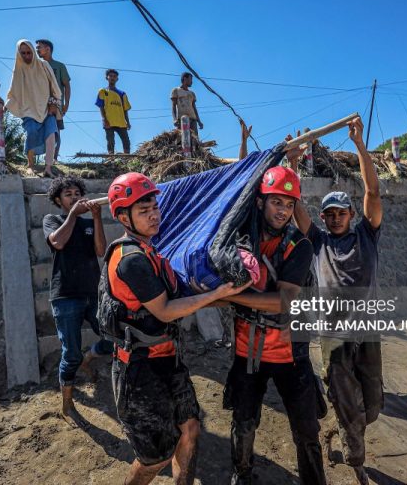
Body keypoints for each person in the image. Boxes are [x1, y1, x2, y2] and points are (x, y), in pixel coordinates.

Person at [99, 172, 251, 484]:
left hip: (168, 357)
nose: (154, 215)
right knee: (155, 458)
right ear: (123, 217)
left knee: (190, 429)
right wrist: (216, 295)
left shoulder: (151, 251)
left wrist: (224, 298)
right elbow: (166, 311)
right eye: (144, 211)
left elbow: (178, 296)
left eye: (154, 207)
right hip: (139, 368)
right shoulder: (130, 260)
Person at [288, 117, 383, 485]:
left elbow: (373, 194)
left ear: (351, 215)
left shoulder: (368, 236)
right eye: (330, 214)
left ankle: (348, 434)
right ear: (325, 218)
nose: (336, 218)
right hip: (334, 336)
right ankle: (355, 460)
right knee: (346, 403)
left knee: (372, 404)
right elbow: (295, 204)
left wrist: (360, 146)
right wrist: (293, 164)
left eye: (342, 212)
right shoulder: (317, 241)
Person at [217, 165, 326, 485]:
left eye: (290, 204)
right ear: (260, 201)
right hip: (247, 350)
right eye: (277, 202)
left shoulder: (298, 245)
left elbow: (284, 301)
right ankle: (242, 475)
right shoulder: (240, 237)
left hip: (290, 353)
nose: (283, 211)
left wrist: (231, 297)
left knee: (306, 431)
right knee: (244, 422)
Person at [43, 176, 113, 425]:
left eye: (76, 193)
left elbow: (100, 251)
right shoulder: (53, 221)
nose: (74, 197)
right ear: (58, 200)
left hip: (93, 293)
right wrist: (73, 214)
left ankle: (90, 358)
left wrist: (95, 217)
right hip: (65, 296)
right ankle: (67, 404)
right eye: (68, 194)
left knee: (114, 338)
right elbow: (58, 242)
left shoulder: (87, 222)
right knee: (70, 354)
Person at [5, 40, 61, 177]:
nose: (27, 56)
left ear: (33, 52)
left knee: (51, 135)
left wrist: (54, 103)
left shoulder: (43, 65)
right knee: (31, 133)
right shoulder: (18, 70)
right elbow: (14, 92)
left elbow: (55, 87)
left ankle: (48, 167)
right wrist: (5, 107)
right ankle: (30, 165)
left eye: (29, 52)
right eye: (23, 53)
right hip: (28, 109)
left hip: (46, 108)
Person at [36, 39, 70, 162]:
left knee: (56, 130)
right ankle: (39, 159)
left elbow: (67, 85)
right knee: (39, 129)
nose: (37, 50)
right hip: (40, 104)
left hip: (56, 104)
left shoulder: (59, 66)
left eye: (39, 47)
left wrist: (66, 103)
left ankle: (54, 158)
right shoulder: (37, 66)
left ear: (48, 49)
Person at [95, 69, 131, 154]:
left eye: (114, 76)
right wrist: (104, 119)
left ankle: (127, 158)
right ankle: (111, 158)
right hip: (109, 121)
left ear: (117, 79)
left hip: (121, 122)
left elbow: (125, 109)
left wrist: (128, 122)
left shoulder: (122, 94)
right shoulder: (103, 91)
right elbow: (101, 106)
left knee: (126, 141)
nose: (112, 78)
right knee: (110, 141)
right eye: (110, 76)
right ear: (106, 78)